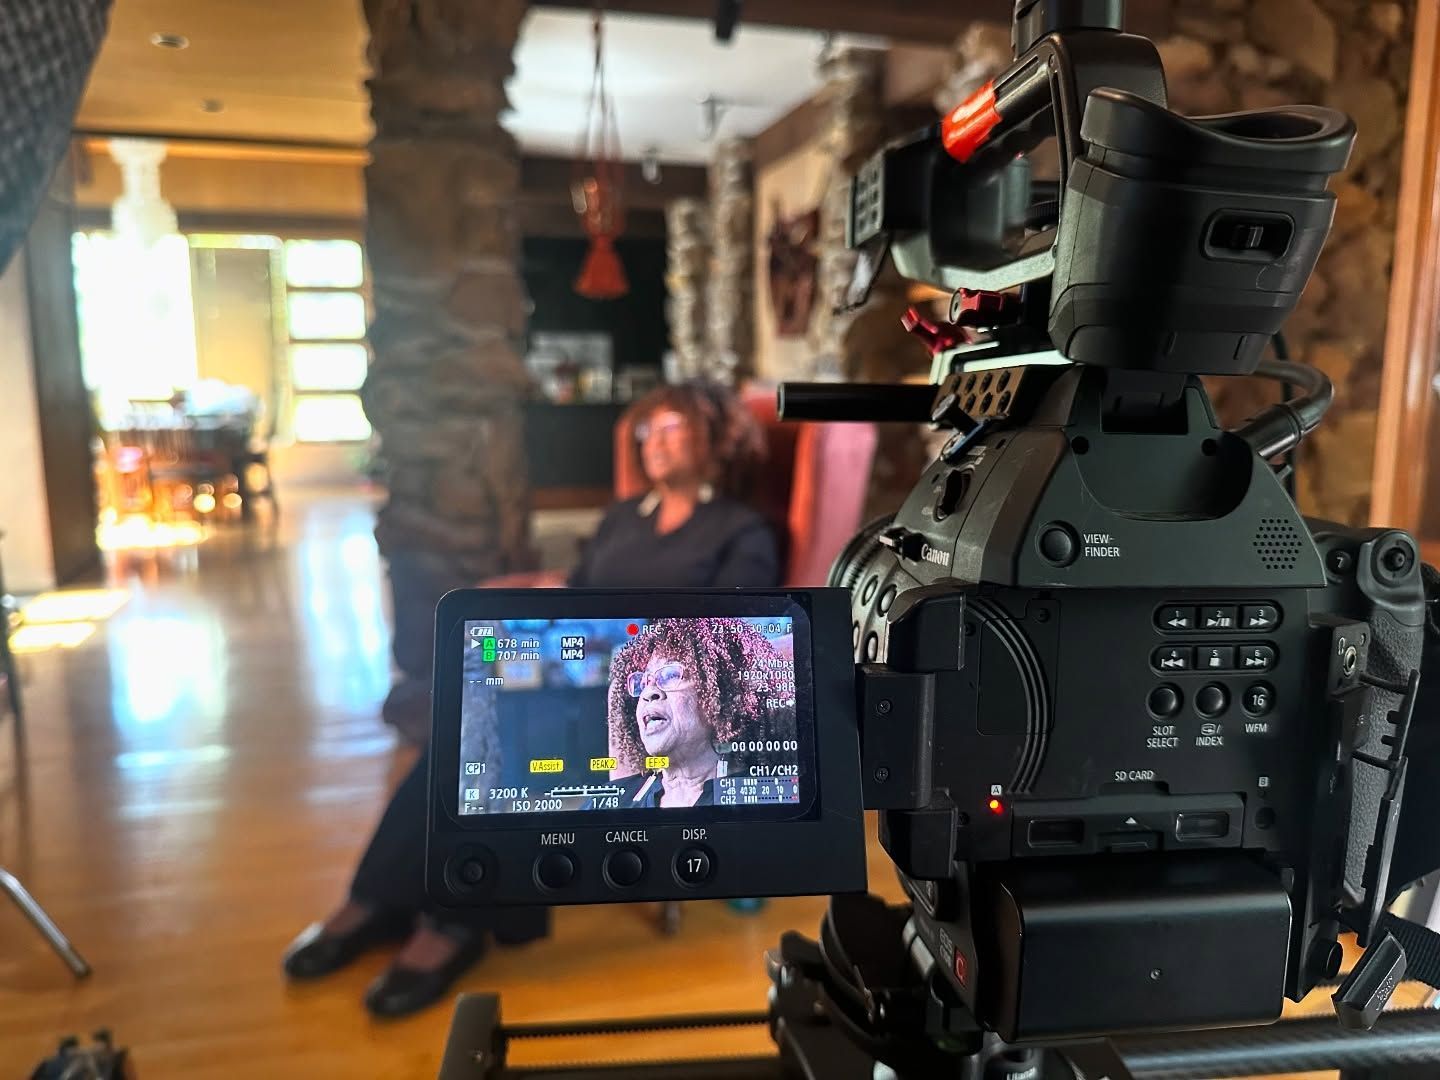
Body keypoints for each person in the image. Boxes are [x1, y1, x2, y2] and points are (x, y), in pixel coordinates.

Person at [282, 382, 780, 1017]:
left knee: (515, 746)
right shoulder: (626, 515)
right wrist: (527, 610)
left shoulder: (739, 530)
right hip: (581, 673)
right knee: (465, 727)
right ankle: (380, 896)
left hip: (651, 701)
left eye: (671, 429)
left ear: (715, 440)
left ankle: (455, 919)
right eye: (646, 431)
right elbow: (577, 587)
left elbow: (730, 639)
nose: (653, 443)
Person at [607, 618, 793, 808]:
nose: (649, 692)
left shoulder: (770, 797)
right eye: (644, 682)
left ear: (722, 694)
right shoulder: (613, 801)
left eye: (670, 675)